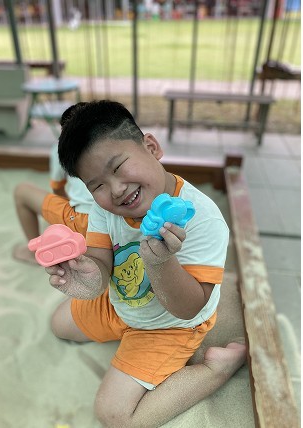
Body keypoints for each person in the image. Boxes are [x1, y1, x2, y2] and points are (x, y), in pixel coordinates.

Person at [46, 100, 247, 427]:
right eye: (97, 185)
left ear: (151, 147)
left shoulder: (203, 217)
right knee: (58, 324)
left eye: (118, 167)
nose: (116, 190)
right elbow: (101, 267)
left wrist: (161, 262)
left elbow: (188, 307)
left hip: (169, 324)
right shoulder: (105, 210)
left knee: (115, 415)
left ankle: (216, 370)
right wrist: (85, 277)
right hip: (120, 305)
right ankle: (125, 334)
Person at [12, 103, 94, 264]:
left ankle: (34, 253)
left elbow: (57, 188)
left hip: (82, 221)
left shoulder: (60, 149)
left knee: (21, 191)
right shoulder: (108, 147)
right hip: (113, 217)